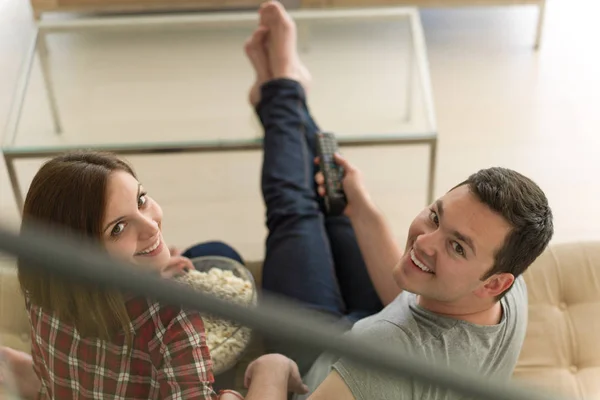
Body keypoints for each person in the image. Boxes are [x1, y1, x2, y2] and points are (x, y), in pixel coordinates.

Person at [240, 2, 554, 400]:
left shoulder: (383, 354)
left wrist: (272, 369)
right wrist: (364, 209)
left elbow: (392, 344)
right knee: (339, 206)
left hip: (323, 366)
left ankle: (283, 86)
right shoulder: (509, 279)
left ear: (494, 283)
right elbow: (408, 302)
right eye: (436, 217)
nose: (424, 241)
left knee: (295, 210)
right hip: (368, 327)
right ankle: (284, 88)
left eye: (457, 246)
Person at [1, 150, 307, 400]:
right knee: (267, 366)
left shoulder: (43, 285)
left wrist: (150, 272)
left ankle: (32, 378)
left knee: (210, 250)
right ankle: (274, 367)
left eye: (141, 200)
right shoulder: (172, 315)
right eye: (118, 228)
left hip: (72, 384)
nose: (151, 226)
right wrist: (262, 378)